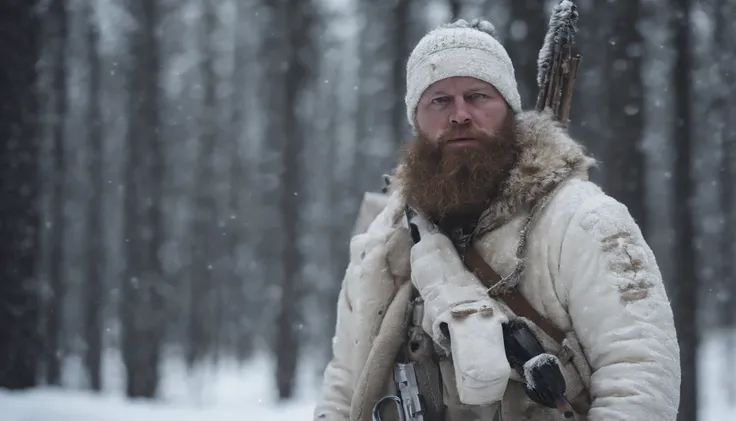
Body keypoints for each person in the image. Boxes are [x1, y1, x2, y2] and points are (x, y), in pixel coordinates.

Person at [314, 19, 680, 421]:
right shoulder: (385, 238)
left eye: (477, 96)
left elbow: (640, 376)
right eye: (439, 100)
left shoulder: (584, 220)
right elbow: (344, 384)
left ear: (508, 109)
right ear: (416, 118)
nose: (459, 115)